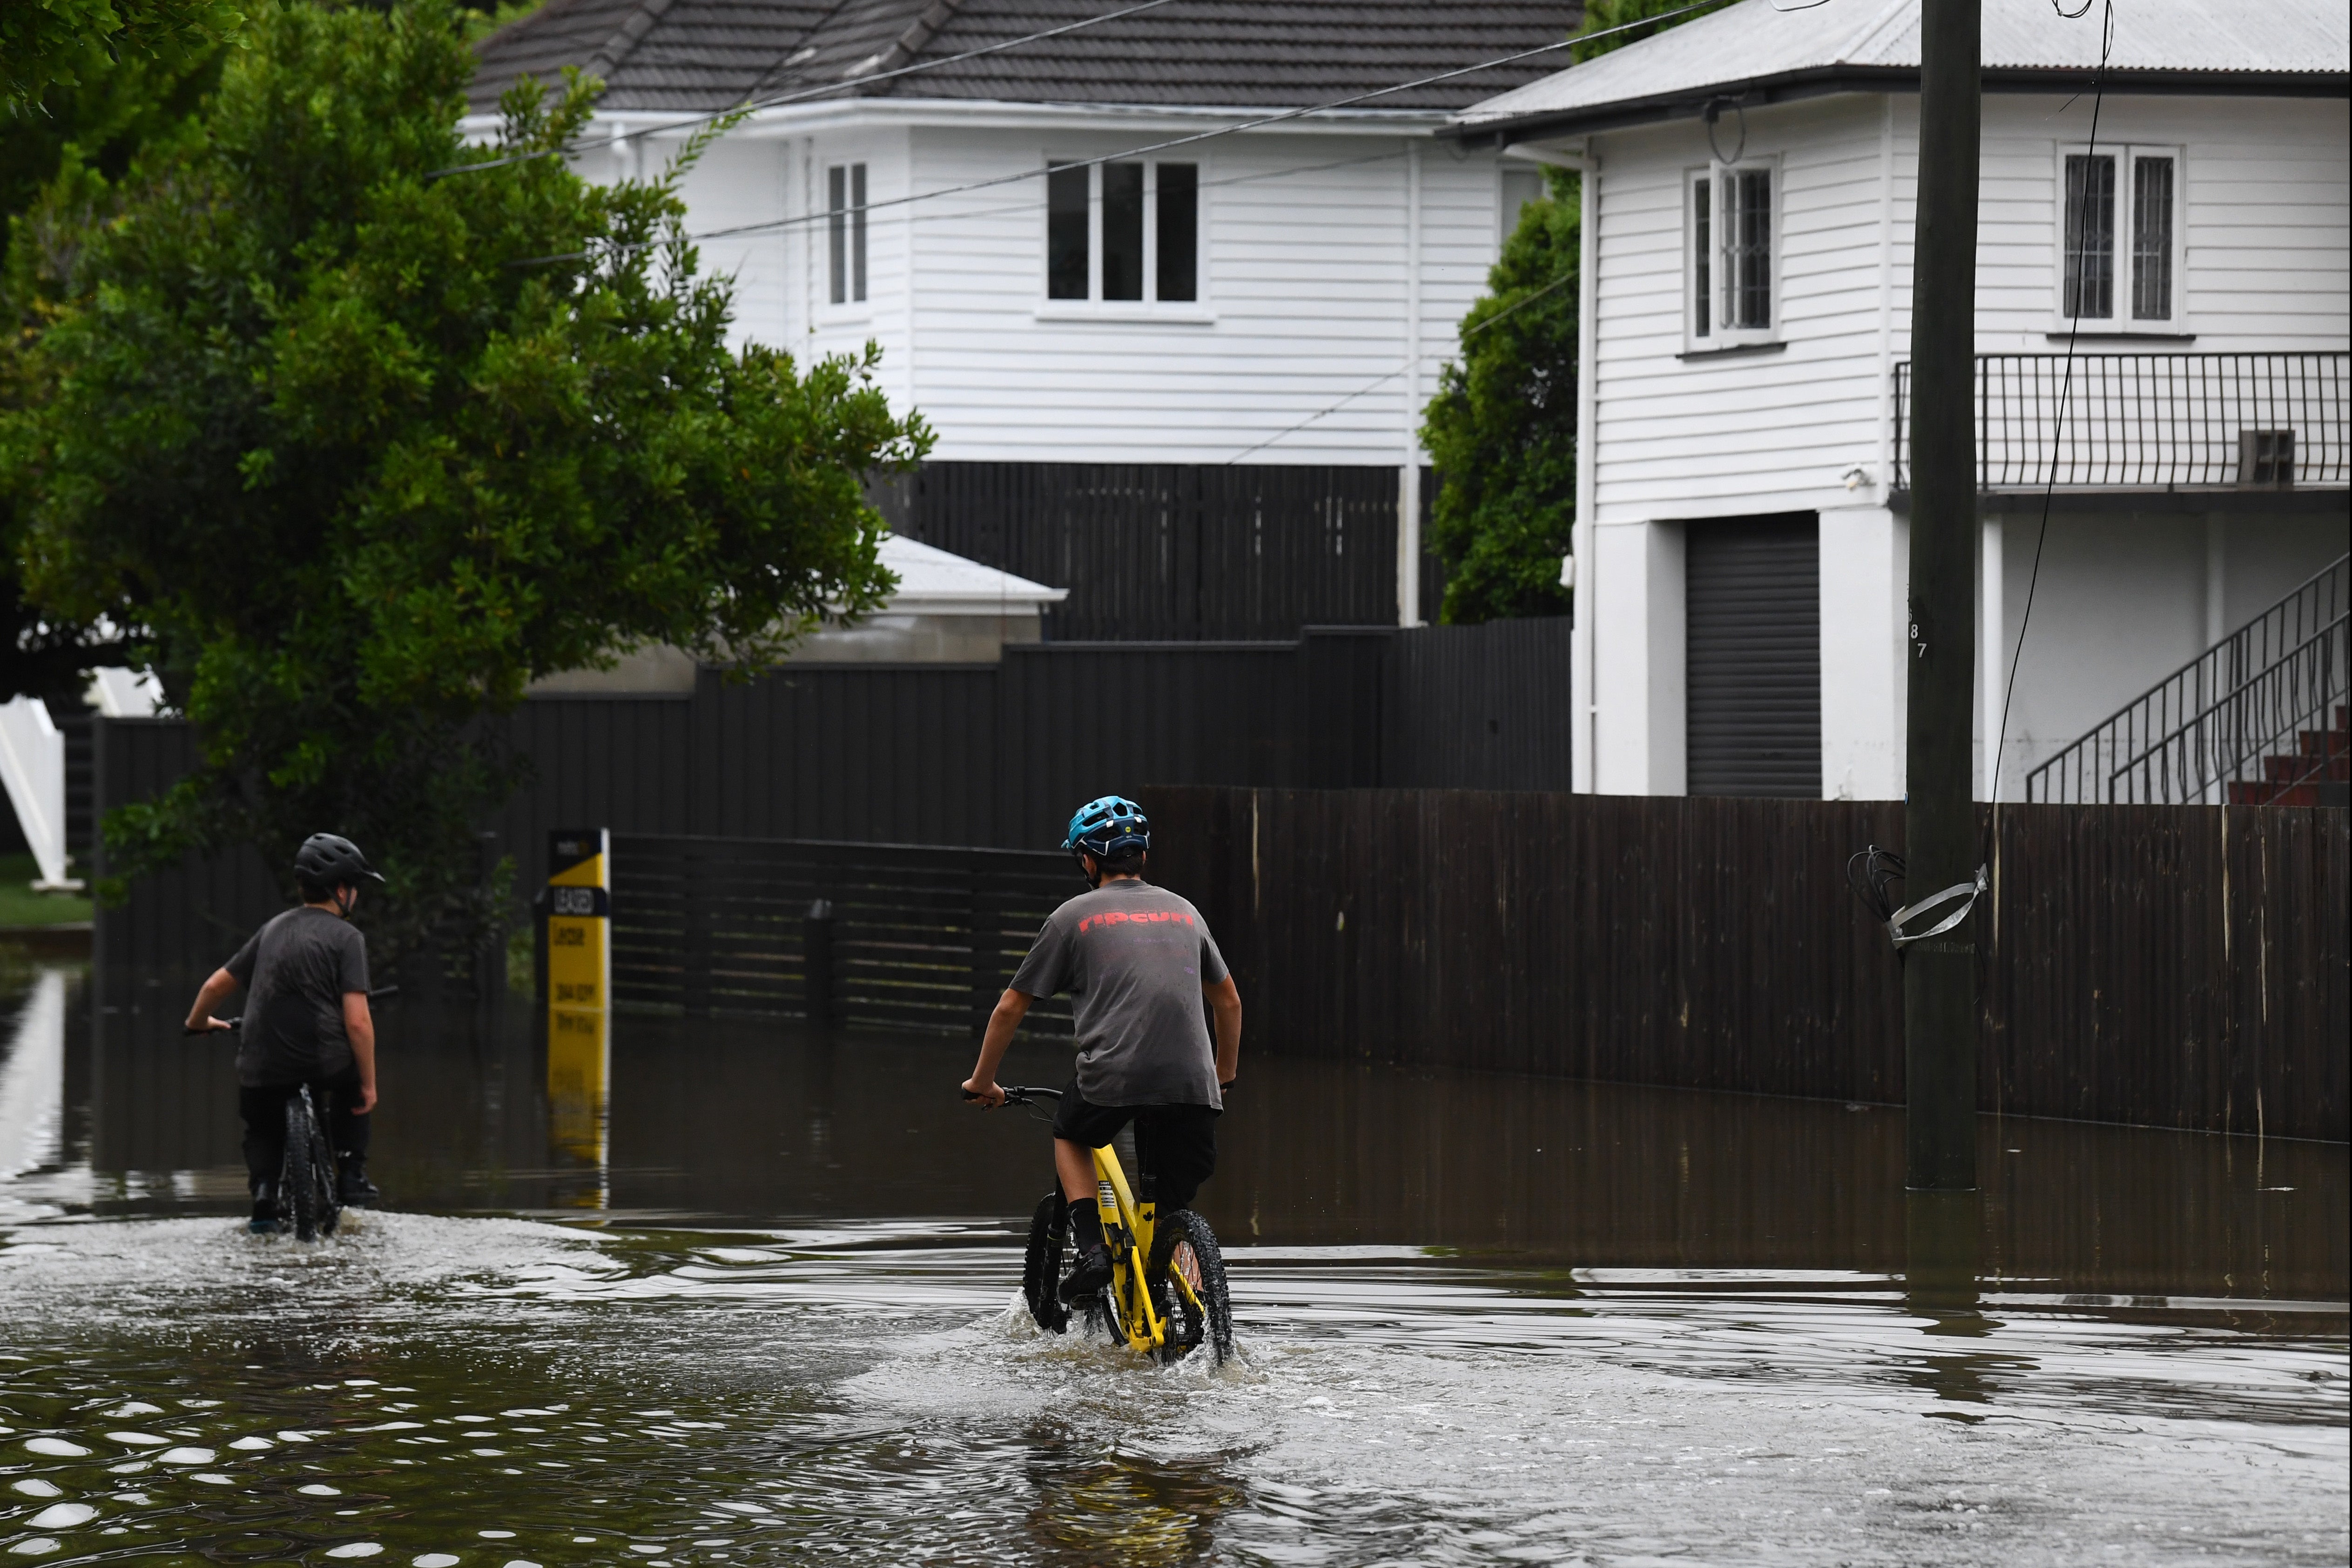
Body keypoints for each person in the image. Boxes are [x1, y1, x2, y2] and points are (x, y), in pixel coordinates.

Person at [963, 795, 1242, 1302]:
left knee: (1070, 1132)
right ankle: (1198, 1312)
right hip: (1193, 1083)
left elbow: (1009, 1008)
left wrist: (983, 1082)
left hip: (1113, 1078)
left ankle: (1092, 1250)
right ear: (1142, 857)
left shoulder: (1072, 917)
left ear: (1087, 860)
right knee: (1168, 1207)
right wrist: (1222, 1074)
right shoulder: (1185, 912)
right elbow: (1229, 1002)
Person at [184, 832, 384, 1232]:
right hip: (325, 1061)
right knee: (354, 1091)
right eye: (356, 887)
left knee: (261, 1125)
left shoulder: (272, 929)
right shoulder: (348, 938)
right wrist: (369, 1084)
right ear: (341, 890)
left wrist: (197, 1023)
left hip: (262, 1063)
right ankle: (351, 1174)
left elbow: (213, 988)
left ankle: (263, 1193)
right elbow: (358, 1022)